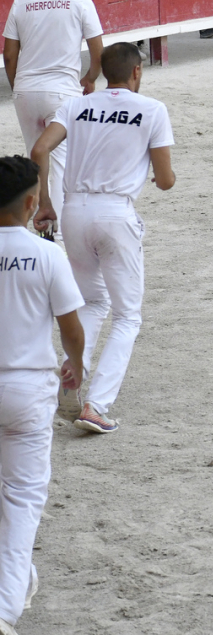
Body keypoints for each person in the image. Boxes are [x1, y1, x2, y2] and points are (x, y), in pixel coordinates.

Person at [31, 40, 173, 434]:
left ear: (103, 71)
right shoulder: (152, 109)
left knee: (92, 302)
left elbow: (40, 149)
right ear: (137, 72)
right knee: (127, 316)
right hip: (115, 214)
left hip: (73, 211)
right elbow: (165, 182)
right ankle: (96, 404)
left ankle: (71, 370)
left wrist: (46, 203)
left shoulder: (77, 105)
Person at [0, 154, 85, 635]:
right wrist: (76, 362)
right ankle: (6, 605)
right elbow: (71, 329)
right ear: (32, 203)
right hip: (28, 390)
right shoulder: (47, 254)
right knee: (22, 500)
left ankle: (16, 586)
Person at [4, 0, 103, 229]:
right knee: (59, 161)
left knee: (35, 160)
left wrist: (19, 86)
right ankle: (56, 235)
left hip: (27, 91)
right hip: (62, 92)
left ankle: (36, 222)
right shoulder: (80, 1)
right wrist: (90, 78)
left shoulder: (22, 1)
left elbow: (9, 54)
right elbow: (98, 54)